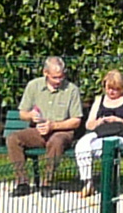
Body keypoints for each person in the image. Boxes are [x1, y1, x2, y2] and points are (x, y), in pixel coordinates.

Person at [6, 57, 82, 194]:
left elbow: (76, 121)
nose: (59, 81)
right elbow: (22, 113)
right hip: (38, 130)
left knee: (56, 141)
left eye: (61, 77)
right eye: (55, 78)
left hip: (61, 130)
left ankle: (47, 182)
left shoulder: (72, 90)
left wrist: (53, 126)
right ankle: (22, 182)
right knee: (13, 138)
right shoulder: (33, 86)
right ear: (45, 73)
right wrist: (31, 116)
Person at [74, 66, 123, 196]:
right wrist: (99, 121)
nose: (111, 92)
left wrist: (118, 120)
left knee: (105, 147)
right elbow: (89, 124)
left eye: (116, 89)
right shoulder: (99, 100)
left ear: (122, 88)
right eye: (109, 88)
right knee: (82, 145)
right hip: (100, 133)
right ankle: (88, 182)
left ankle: (108, 183)